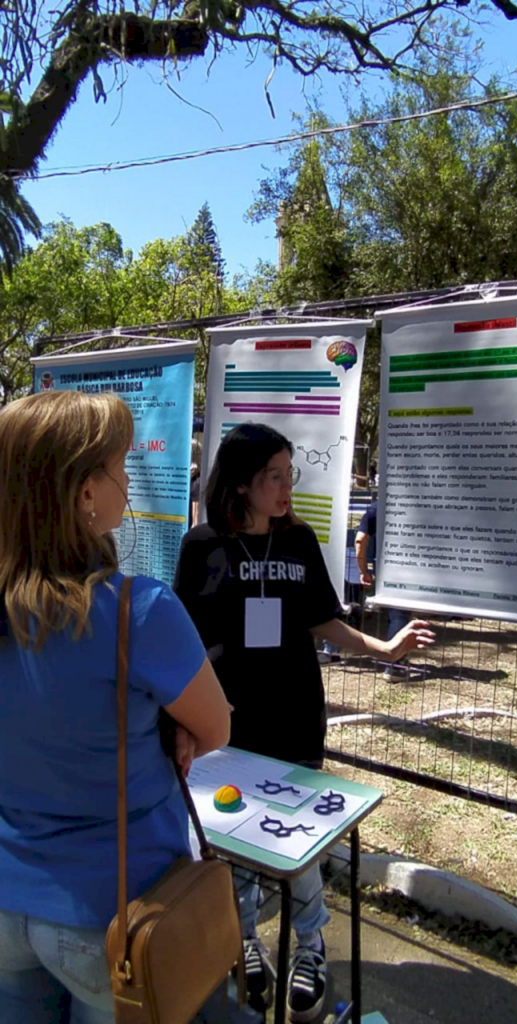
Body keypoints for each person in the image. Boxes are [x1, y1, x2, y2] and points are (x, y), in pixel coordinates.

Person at [173, 423, 435, 1022]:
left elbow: (323, 620)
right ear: (240, 483)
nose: (287, 487)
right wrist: (190, 713)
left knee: (300, 842)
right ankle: (244, 940)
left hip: (295, 720)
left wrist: (384, 648)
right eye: (274, 476)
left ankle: (310, 945)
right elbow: (185, 640)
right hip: (230, 728)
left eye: (290, 474)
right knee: (231, 841)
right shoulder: (203, 545)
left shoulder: (299, 541)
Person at [0, 390, 233, 1024]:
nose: (128, 480)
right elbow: (215, 727)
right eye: (118, 465)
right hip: (114, 918)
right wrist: (171, 729)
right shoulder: (142, 610)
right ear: (84, 495)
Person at [355, 499, 411, 682]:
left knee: (394, 614)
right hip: (413, 565)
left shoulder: (376, 507)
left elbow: (360, 540)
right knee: (399, 615)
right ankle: (396, 665)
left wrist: (363, 570)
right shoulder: (417, 503)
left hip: (385, 566)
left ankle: (394, 661)